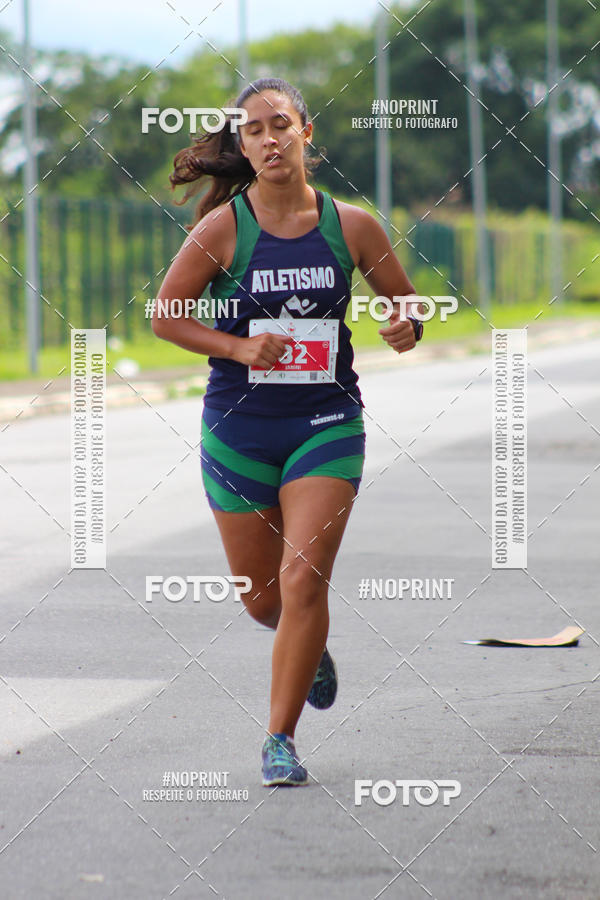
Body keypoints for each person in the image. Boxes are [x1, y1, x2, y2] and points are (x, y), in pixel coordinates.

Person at [152, 77, 421, 787]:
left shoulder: (352, 226)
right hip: (239, 429)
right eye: (254, 131)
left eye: (281, 125)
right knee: (262, 598)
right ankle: (311, 648)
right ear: (243, 147)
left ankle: (279, 738)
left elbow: (406, 301)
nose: (269, 139)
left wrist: (407, 324)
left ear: (306, 132)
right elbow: (165, 315)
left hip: (325, 424)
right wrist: (239, 348)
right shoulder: (223, 230)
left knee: (303, 578)